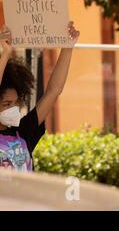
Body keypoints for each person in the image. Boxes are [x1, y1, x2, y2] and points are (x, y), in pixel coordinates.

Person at [0, 22, 80, 172]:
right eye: (7, 103)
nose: (14, 108)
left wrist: (68, 47)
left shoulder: (23, 132)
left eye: (16, 102)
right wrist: (6, 53)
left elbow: (53, 91)